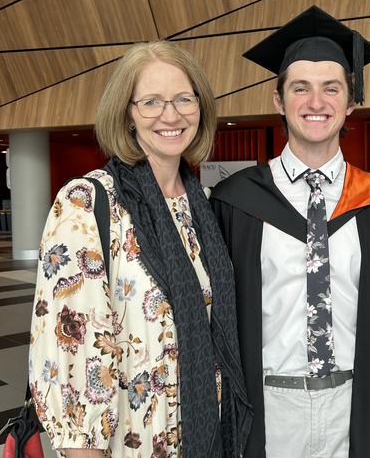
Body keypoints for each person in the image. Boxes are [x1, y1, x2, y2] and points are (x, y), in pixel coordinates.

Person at [29, 41, 251, 457]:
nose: (171, 115)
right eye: (151, 101)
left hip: (207, 440)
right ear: (127, 114)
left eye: (184, 99)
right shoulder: (88, 204)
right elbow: (71, 357)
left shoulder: (201, 205)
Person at [210, 6, 370, 458]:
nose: (316, 103)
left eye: (331, 88)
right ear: (279, 101)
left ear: (351, 101)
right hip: (268, 403)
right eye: (301, 88)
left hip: (354, 402)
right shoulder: (234, 201)